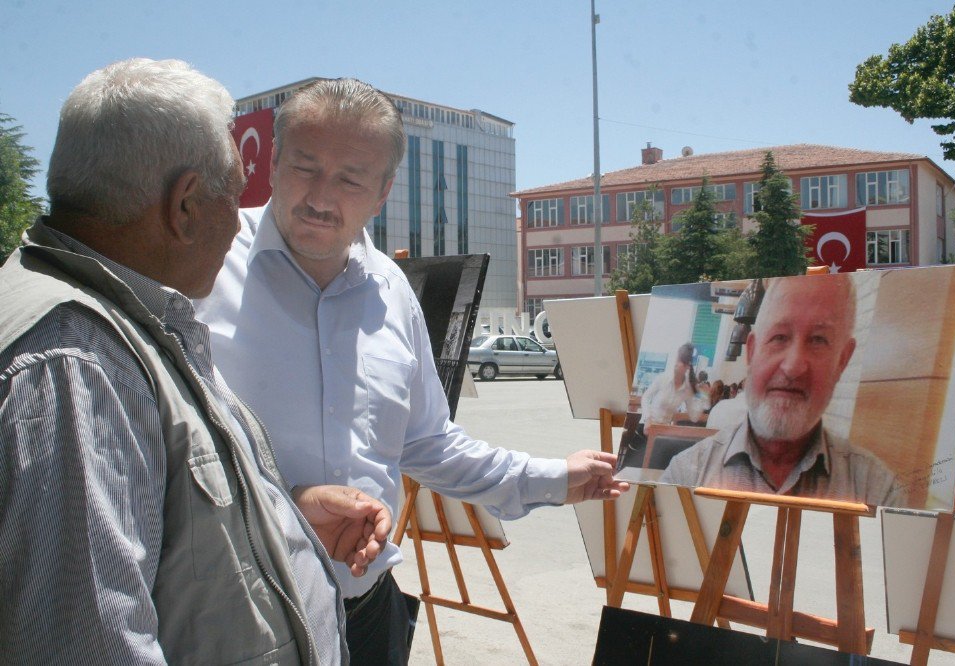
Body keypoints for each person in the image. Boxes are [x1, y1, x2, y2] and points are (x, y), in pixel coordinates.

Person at [196, 77, 628, 664]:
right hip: (240, 626)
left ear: (384, 192)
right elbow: (159, 447)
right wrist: (284, 504)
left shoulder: (391, 288)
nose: (321, 196)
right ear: (271, 163)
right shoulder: (202, 264)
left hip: (368, 615)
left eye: (350, 178)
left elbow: (427, 442)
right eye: (304, 167)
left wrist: (553, 477)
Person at [0, 59, 393, 665]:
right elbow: (86, 647)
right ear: (185, 205)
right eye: (235, 194)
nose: (242, 220)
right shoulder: (75, 363)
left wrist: (275, 516)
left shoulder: (112, 320)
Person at [661, 274, 903, 506]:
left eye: (818, 340)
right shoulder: (683, 475)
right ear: (752, 352)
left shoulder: (879, 492)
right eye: (779, 337)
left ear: (842, 361)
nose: (793, 367)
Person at [639, 342, 705, 427]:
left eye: (680, 361)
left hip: (663, 431)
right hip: (646, 426)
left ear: (688, 366)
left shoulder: (687, 389)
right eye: (676, 359)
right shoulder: (663, 378)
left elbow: (694, 417)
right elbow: (645, 397)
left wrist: (702, 396)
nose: (676, 364)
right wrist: (647, 419)